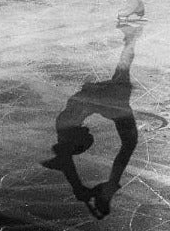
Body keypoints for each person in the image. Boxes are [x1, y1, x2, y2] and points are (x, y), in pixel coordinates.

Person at [41, 23, 142, 219]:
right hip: (111, 100)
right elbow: (66, 162)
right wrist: (82, 188)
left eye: (85, 136)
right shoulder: (65, 123)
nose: (88, 131)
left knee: (129, 141)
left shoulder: (65, 123)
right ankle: (130, 38)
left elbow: (66, 162)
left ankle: (130, 38)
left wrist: (80, 187)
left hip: (110, 100)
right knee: (129, 141)